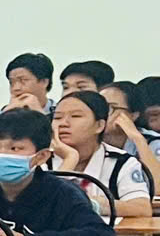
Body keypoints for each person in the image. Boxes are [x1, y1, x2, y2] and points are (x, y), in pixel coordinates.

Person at [55, 88, 155, 216]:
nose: (63, 123)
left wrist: (93, 205)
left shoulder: (121, 162)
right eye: (57, 117)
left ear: (99, 126)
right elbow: (46, 206)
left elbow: (142, 209)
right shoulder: (41, 158)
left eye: (76, 116)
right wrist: (70, 159)